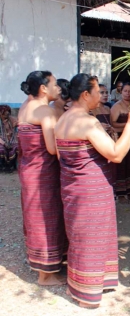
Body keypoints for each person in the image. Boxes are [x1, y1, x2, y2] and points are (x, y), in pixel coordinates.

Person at [55, 73, 130, 308]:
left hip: (72, 187)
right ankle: (87, 295)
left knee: (79, 237)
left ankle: (83, 283)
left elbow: (62, 154)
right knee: (90, 237)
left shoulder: (62, 119)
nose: (100, 97)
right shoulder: (87, 121)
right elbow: (116, 154)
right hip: (90, 190)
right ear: (85, 95)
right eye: (97, 92)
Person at [17, 70, 67, 286]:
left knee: (35, 216)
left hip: (29, 169)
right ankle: (45, 275)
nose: (59, 89)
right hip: (42, 174)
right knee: (46, 218)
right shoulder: (45, 111)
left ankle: (44, 264)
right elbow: (52, 148)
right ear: (43, 88)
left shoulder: (25, 106)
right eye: (55, 85)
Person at [0, 105, 18, 172]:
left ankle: (12, 166)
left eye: (8, 114)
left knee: (16, 147)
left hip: (12, 140)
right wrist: (5, 143)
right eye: (4, 115)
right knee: (1, 149)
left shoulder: (11, 119)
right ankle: (2, 166)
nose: (6, 116)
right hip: (2, 141)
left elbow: (19, 123)